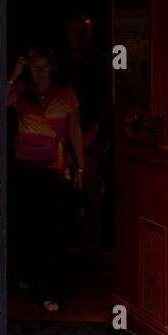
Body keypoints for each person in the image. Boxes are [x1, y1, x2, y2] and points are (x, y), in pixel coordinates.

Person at [7, 45, 85, 311]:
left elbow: (75, 132)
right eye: (33, 67)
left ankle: (49, 290)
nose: (39, 73)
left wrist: (82, 169)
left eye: (44, 67)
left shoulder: (66, 94)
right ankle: (29, 275)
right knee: (29, 228)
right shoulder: (20, 92)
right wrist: (14, 75)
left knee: (54, 230)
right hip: (26, 169)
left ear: (52, 69)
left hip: (56, 168)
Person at [63, 13, 112, 252]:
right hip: (64, 143)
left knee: (93, 197)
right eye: (75, 31)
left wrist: (94, 130)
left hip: (93, 141)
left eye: (84, 32)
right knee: (67, 198)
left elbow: (108, 101)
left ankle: (91, 251)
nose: (79, 37)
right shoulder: (62, 64)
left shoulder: (100, 62)